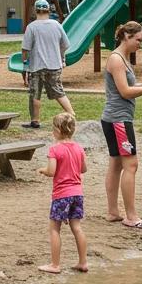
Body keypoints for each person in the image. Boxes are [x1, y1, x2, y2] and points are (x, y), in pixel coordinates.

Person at [102, 21, 142, 229]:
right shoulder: (116, 59)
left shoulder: (123, 58)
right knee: (131, 165)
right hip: (118, 120)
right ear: (127, 36)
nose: (140, 44)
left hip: (116, 118)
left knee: (116, 164)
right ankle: (131, 217)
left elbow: (125, 87)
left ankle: (112, 212)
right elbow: (125, 92)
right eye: (138, 40)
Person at [36, 112, 88, 275]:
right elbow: (83, 169)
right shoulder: (79, 148)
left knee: (54, 229)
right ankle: (83, 262)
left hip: (61, 194)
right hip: (77, 193)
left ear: (57, 130)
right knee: (77, 227)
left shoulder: (54, 149)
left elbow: (52, 171)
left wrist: (43, 170)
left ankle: (55, 264)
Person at [20, 0, 73, 129]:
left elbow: (25, 48)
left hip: (37, 66)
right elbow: (65, 45)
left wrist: (25, 63)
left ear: (35, 11)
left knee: (35, 93)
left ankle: (35, 120)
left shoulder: (32, 27)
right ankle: (71, 113)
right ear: (49, 10)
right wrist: (62, 59)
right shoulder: (56, 25)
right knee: (58, 91)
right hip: (54, 65)